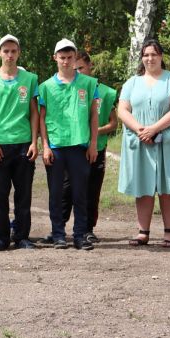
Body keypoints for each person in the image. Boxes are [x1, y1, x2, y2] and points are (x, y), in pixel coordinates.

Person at [117, 38, 170, 247]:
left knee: (168, 186)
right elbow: (122, 110)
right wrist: (141, 130)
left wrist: (154, 129)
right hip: (140, 139)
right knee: (143, 185)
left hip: (168, 139)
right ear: (142, 57)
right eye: (146, 54)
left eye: (154, 54)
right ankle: (143, 232)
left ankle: (169, 233)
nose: (150, 58)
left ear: (161, 56)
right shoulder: (132, 82)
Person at [39, 38, 99, 251]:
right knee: (56, 193)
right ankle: (58, 235)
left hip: (80, 145)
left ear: (75, 58)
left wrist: (93, 144)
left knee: (80, 193)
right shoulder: (45, 87)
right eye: (62, 57)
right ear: (55, 58)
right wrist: (45, 146)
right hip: (56, 145)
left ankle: (80, 235)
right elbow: (41, 118)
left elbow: (93, 116)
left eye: (69, 57)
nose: (66, 61)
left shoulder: (89, 84)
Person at [0, 34, 39, 251]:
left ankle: (22, 236)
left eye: (14, 51)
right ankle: (0, 238)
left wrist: (34, 141)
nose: (10, 55)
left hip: (24, 142)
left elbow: (34, 112)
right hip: (0, 145)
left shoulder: (30, 79)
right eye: (6, 51)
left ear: (19, 53)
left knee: (23, 194)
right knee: (0, 194)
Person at [58, 51, 118, 243]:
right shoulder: (68, 88)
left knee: (91, 189)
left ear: (90, 66)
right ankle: (59, 228)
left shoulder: (105, 92)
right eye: (75, 69)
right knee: (66, 189)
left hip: (95, 147)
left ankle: (87, 229)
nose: (78, 72)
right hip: (72, 146)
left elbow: (113, 123)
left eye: (81, 68)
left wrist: (93, 133)